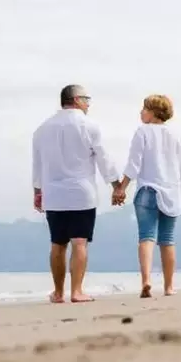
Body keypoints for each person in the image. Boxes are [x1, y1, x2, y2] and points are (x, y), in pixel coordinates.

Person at [32, 84, 122, 303]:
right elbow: (104, 158)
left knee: (57, 244)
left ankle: (58, 292)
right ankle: (77, 291)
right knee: (79, 242)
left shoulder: (42, 129)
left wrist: (37, 191)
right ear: (75, 100)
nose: (88, 104)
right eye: (86, 99)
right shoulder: (89, 125)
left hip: (54, 194)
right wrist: (117, 185)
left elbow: (37, 164)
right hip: (82, 193)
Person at [112, 94, 181, 298]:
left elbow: (133, 165)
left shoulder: (143, 132)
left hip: (147, 191)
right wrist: (177, 189)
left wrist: (121, 188)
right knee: (168, 240)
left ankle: (146, 281)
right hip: (171, 191)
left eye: (144, 108)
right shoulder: (177, 135)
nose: (141, 112)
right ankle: (169, 286)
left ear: (154, 112)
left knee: (146, 237)